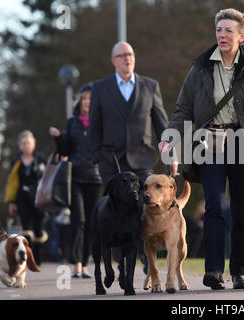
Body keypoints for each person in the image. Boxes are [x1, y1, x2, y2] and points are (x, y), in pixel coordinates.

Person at [159, 8, 244, 290]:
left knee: (241, 211)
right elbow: (183, 109)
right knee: (214, 207)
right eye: (219, 30)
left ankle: (240, 271)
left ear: (242, 36)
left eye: (229, 30)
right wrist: (171, 136)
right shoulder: (200, 68)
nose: (222, 35)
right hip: (209, 146)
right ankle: (214, 270)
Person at [89, 41, 169, 273]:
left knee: (140, 209)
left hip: (142, 160)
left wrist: (169, 152)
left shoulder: (150, 86)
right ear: (113, 60)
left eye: (130, 54)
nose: (127, 58)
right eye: (122, 55)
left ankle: (144, 258)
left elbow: (161, 124)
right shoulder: (100, 88)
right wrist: (98, 156)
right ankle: (121, 262)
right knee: (113, 211)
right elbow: (93, 126)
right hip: (110, 161)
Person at [49, 83, 102, 278]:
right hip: (76, 177)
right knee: (77, 220)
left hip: (95, 177)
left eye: (91, 99)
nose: (88, 102)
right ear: (80, 102)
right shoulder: (72, 122)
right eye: (85, 99)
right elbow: (65, 150)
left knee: (90, 222)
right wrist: (58, 138)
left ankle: (86, 264)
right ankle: (76, 264)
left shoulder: (100, 121)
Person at [4, 130, 48, 265]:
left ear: (33, 144)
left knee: (38, 227)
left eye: (28, 143)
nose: (26, 145)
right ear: (20, 146)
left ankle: (38, 255)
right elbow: (12, 183)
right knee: (26, 227)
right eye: (23, 143)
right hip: (21, 196)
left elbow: (48, 178)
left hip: (38, 196)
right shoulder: (16, 160)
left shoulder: (41, 158)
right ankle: (29, 257)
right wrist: (11, 202)